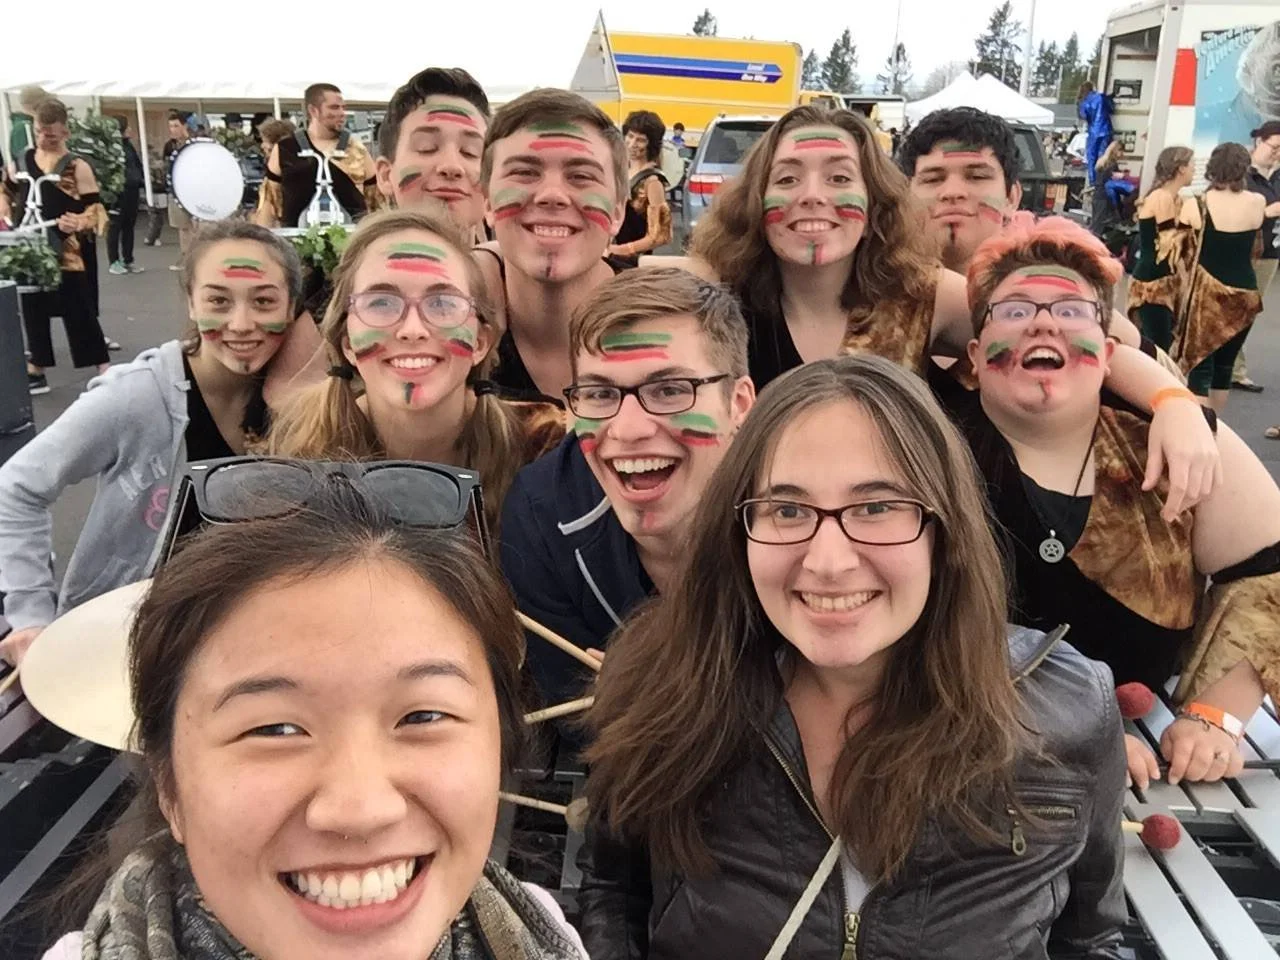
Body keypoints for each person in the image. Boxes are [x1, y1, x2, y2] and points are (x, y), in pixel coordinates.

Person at [579, 354, 1127, 958]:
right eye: (787, 510)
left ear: (944, 530)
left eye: (876, 507)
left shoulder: (1067, 707)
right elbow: (613, 895)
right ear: (739, 532)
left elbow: (1090, 936)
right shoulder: (656, 684)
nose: (829, 562)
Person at [36, 481, 585, 960]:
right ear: (168, 785)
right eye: (274, 729)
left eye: (423, 715)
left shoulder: (541, 927)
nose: (361, 809)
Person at [664, 106, 1221, 517]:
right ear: (755, 199)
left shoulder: (925, 295)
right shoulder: (713, 288)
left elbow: (1079, 334)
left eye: (839, 177)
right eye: (786, 179)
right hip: (746, 535)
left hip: (880, 543)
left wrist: (1172, 401)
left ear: (877, 200)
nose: (812, 195)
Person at [936, 215, 1280, 791]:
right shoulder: (924, 447)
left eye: (1072, 312)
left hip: (1154, 757)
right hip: (977, 750)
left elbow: (1267, 572)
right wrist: (1069, 726)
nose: (1043, 327)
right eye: (1015, 311)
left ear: (1109, 349)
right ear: (973, 355)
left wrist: (1213, 715)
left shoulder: (1171, 440)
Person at [0, 222, 303, 669]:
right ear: (191, 303)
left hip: (247, 648)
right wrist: (30, 616)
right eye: (218, 300)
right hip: (125, 650)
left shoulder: (300, 401)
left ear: (293, 307)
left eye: (264, 301)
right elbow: (18, 486)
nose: (241, 324)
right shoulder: (138, 397)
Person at [501, 266, 755, 709]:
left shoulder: (802, 514)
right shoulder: (543, 514)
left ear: (738, 405)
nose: (629, 429)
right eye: (599, 395)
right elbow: (581, 722)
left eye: (671, 390)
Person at [265, 208, 565, 535]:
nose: (412, 329)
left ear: (480, 340)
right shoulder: (301, 453)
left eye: (442, 304)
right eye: (381, 302)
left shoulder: (541, 443)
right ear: (347, 341)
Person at [473, 89, 627, 404]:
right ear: (487, 202)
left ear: (618, 212)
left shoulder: (675, 330)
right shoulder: (446, 341)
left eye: (582, 176)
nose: (552, 194)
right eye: (524, 173)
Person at [0, 97, 111, 394]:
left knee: (78, 305)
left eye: (50, 134)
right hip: (28, 245)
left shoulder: (77, 166)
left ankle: (102, 365)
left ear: (65, 132)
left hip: (66, 249)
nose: (42, 139)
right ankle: (37, 367)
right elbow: (6, 190)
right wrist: (4, 206)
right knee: (32, 305)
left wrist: (79, 221)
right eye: (38, 132)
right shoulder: (22, 160)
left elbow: (98, 211)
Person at [1175, 142, 1266, 413]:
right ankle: (1216, 433)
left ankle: (1201, 429)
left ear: (1212, 168)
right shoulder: (1257, 202)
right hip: (1245, 295)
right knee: (1224, 368)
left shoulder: (1196, 205)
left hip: (1208, 295)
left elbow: (1181, 253)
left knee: (1201, 368)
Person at [374, 67, 491, 245]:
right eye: (426, 147)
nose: (452, 166)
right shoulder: (362, 272)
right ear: (385, 175)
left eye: (470, 152)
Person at [255, 82, 380, 229]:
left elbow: (376, 204)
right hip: (298, 243)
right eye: (334, 107)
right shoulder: (285, 149)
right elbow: (269, 204)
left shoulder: (357, 150)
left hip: (349, 242)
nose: (341, 113)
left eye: (343, 108)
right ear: (313, 110)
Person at [1126, 145, 1195, 350]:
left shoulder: (1176, 199)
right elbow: (1168, 243)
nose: (1194, 170)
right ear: (1181, 168)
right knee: (1158, 345)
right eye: (1191, 165)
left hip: (1164, 277)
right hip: (1153, 281)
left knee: (1160, 341)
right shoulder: (1161, 197)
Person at [1240, 120, 1280, 397]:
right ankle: (1230, 367)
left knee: (1250, 310)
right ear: (1258, 142)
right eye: (1274, 147)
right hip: (1244, 250)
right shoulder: (1243, 175)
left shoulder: (1276, 176)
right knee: (1237, 308)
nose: (1277, 153)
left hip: (1270, 251)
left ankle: (1233, 367)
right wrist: (1268, 212)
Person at [609, 110, 671, 268]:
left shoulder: (653, 181)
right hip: (609, 255)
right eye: (630, 136)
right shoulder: (622, 171)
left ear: (651, 144)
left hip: (632, 264)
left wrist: (622, 250)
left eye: (640, 140)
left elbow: (660, 235)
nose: (632, 144)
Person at [107, 116, 145, 275]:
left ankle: (128, 259)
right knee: (115, 227)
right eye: (128, 127)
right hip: (118, 192)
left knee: (129, 226)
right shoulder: (112, 147)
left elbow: (137, 164)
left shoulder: (129, 146)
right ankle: (114, 261)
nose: (130, 130)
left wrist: (141, 179)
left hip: (132, 189)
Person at [162, 110, 195, 269]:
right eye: (170, 126)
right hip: (175, 190)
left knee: (196, 226)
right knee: (182, 227)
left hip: (192, 189)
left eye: (176, 126)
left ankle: (196, 257)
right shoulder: (169, 145)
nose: (172, 129)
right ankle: (185, 257)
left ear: (184, 126)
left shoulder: (194, 143)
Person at [1077, 82, 1114, 188]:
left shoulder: (1084, 101)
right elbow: (1111, 109)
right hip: (1105, 129)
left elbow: (1083, 116)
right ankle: (1103, 179)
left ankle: (1093, 182)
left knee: (1091, 157)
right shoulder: (1101, 97)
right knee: (1103, 155)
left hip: (1093, 131)